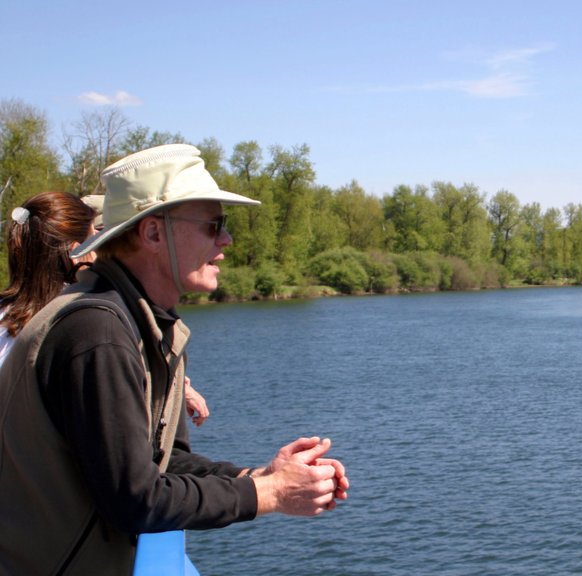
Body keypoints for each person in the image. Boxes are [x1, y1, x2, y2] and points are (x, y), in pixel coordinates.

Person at [0, 144, 349, 575]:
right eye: (213, 225)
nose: (226, 240)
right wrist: (271, 494)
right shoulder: (98, 332)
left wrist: (255, 475)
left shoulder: (144, 322)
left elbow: (165, 465)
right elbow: (135, 500)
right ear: (152, 233)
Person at [84, 193, 211, 427]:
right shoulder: (95, 322)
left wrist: (179, 386)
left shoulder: (143, 311)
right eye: (99, 232)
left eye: (108, 232)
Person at [0, 191, 97, 365]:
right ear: (77, 251)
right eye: (94, 238)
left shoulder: (5, 311)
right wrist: (90, 281)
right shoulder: (74, 319)